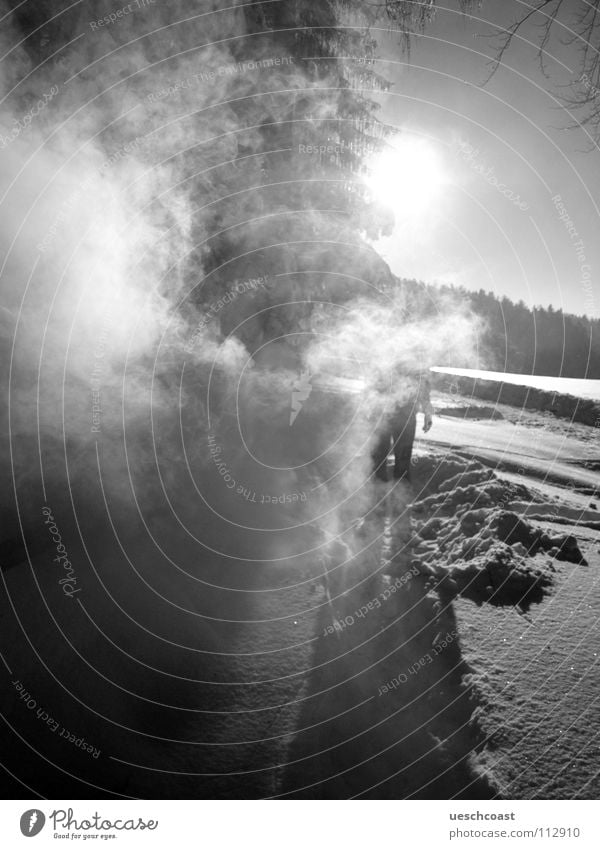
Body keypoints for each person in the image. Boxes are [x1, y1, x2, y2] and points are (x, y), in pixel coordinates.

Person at [371, 372, 433, 482]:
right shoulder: (387, 359)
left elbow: (424, 388)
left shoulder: (417, 362)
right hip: (383, 414)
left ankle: (400, 489)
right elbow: (375, 385)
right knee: (378, 456)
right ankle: (377, 489)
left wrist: (428, 414)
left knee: (403, 458)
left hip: (406, 417)